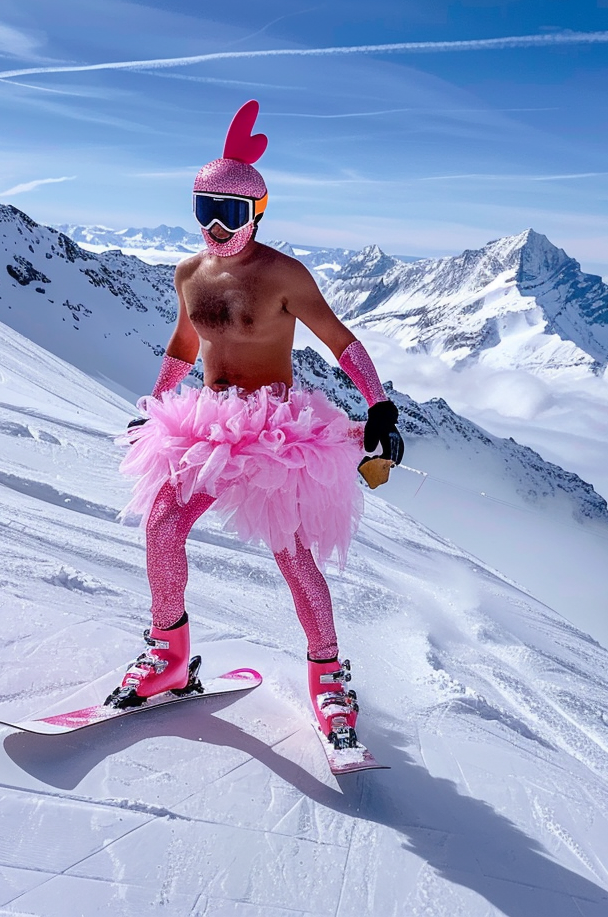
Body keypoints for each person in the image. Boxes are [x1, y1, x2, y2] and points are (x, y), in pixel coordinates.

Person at [108, 100, 403, 751]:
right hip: (208, 426)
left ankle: (328, 680)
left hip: (274, 433)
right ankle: (170, 657)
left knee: (294, 560)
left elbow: (341, 342)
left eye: (231, 213)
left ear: (258, 214)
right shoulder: (190, 273)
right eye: (204, 210)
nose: (216, 226)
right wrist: (154, 404)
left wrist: (378, 404)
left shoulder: (284, 275)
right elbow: (183, 348)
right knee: (162, 525)